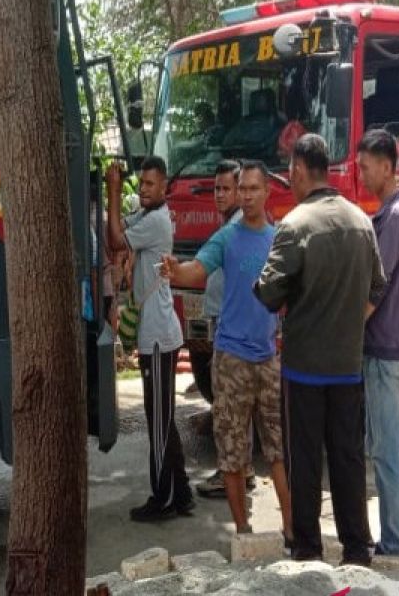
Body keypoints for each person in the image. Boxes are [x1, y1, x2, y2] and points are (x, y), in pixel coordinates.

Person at [255, 134, 385, 566]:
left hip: (304, 370)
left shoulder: (294, 225)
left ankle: (308, 549)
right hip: (348, 366)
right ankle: (356, 548)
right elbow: (378, 289)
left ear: (296, 170)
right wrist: (347, 324)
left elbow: (270, 294)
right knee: (348, 459)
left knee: (305, 462)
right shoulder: (360, 221)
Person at [163, 161, 291, 537]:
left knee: (279, 450)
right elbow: (196, 270)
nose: (248, 195)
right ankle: (243, 532)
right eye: (243, 189)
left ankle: (291, 530)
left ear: (267, 192)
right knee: (232, 453)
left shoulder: (279, 238)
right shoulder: (226, 238)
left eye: (254, 188)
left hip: (269, 359)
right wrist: (175, 270)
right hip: (231, 360)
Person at [105, 157, 194, 522]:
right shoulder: (147, 215)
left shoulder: (156, 221)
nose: (142, 189)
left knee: (157, 420)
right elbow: (117, 229)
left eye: (150, 184)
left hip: (159, 336)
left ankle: (162, 498)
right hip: (156, 332)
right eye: (139, 183)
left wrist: (112, 188)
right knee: (164, 417)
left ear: (164, 188)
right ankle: (183, 491)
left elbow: (113, 237)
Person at [354, 129, 399, 557]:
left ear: (388, 167)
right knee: (382, 447)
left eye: (365, 165)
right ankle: (391, 536)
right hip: (392, 349)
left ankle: (393, 542)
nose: (360, 172)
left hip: (384, 351)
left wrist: (348, 326)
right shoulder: (394, 214)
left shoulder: (393, 218)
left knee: (385, 452)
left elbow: (377, 289)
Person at [192, 160, 258, 499]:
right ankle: (241, 469)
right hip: (224, 321)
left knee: (230, 405)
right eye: (216, 188)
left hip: (232, 326)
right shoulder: (230, 226)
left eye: (226, 188)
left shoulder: (237, 230)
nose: (219, 194)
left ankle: (231, 472)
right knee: (232, 403)